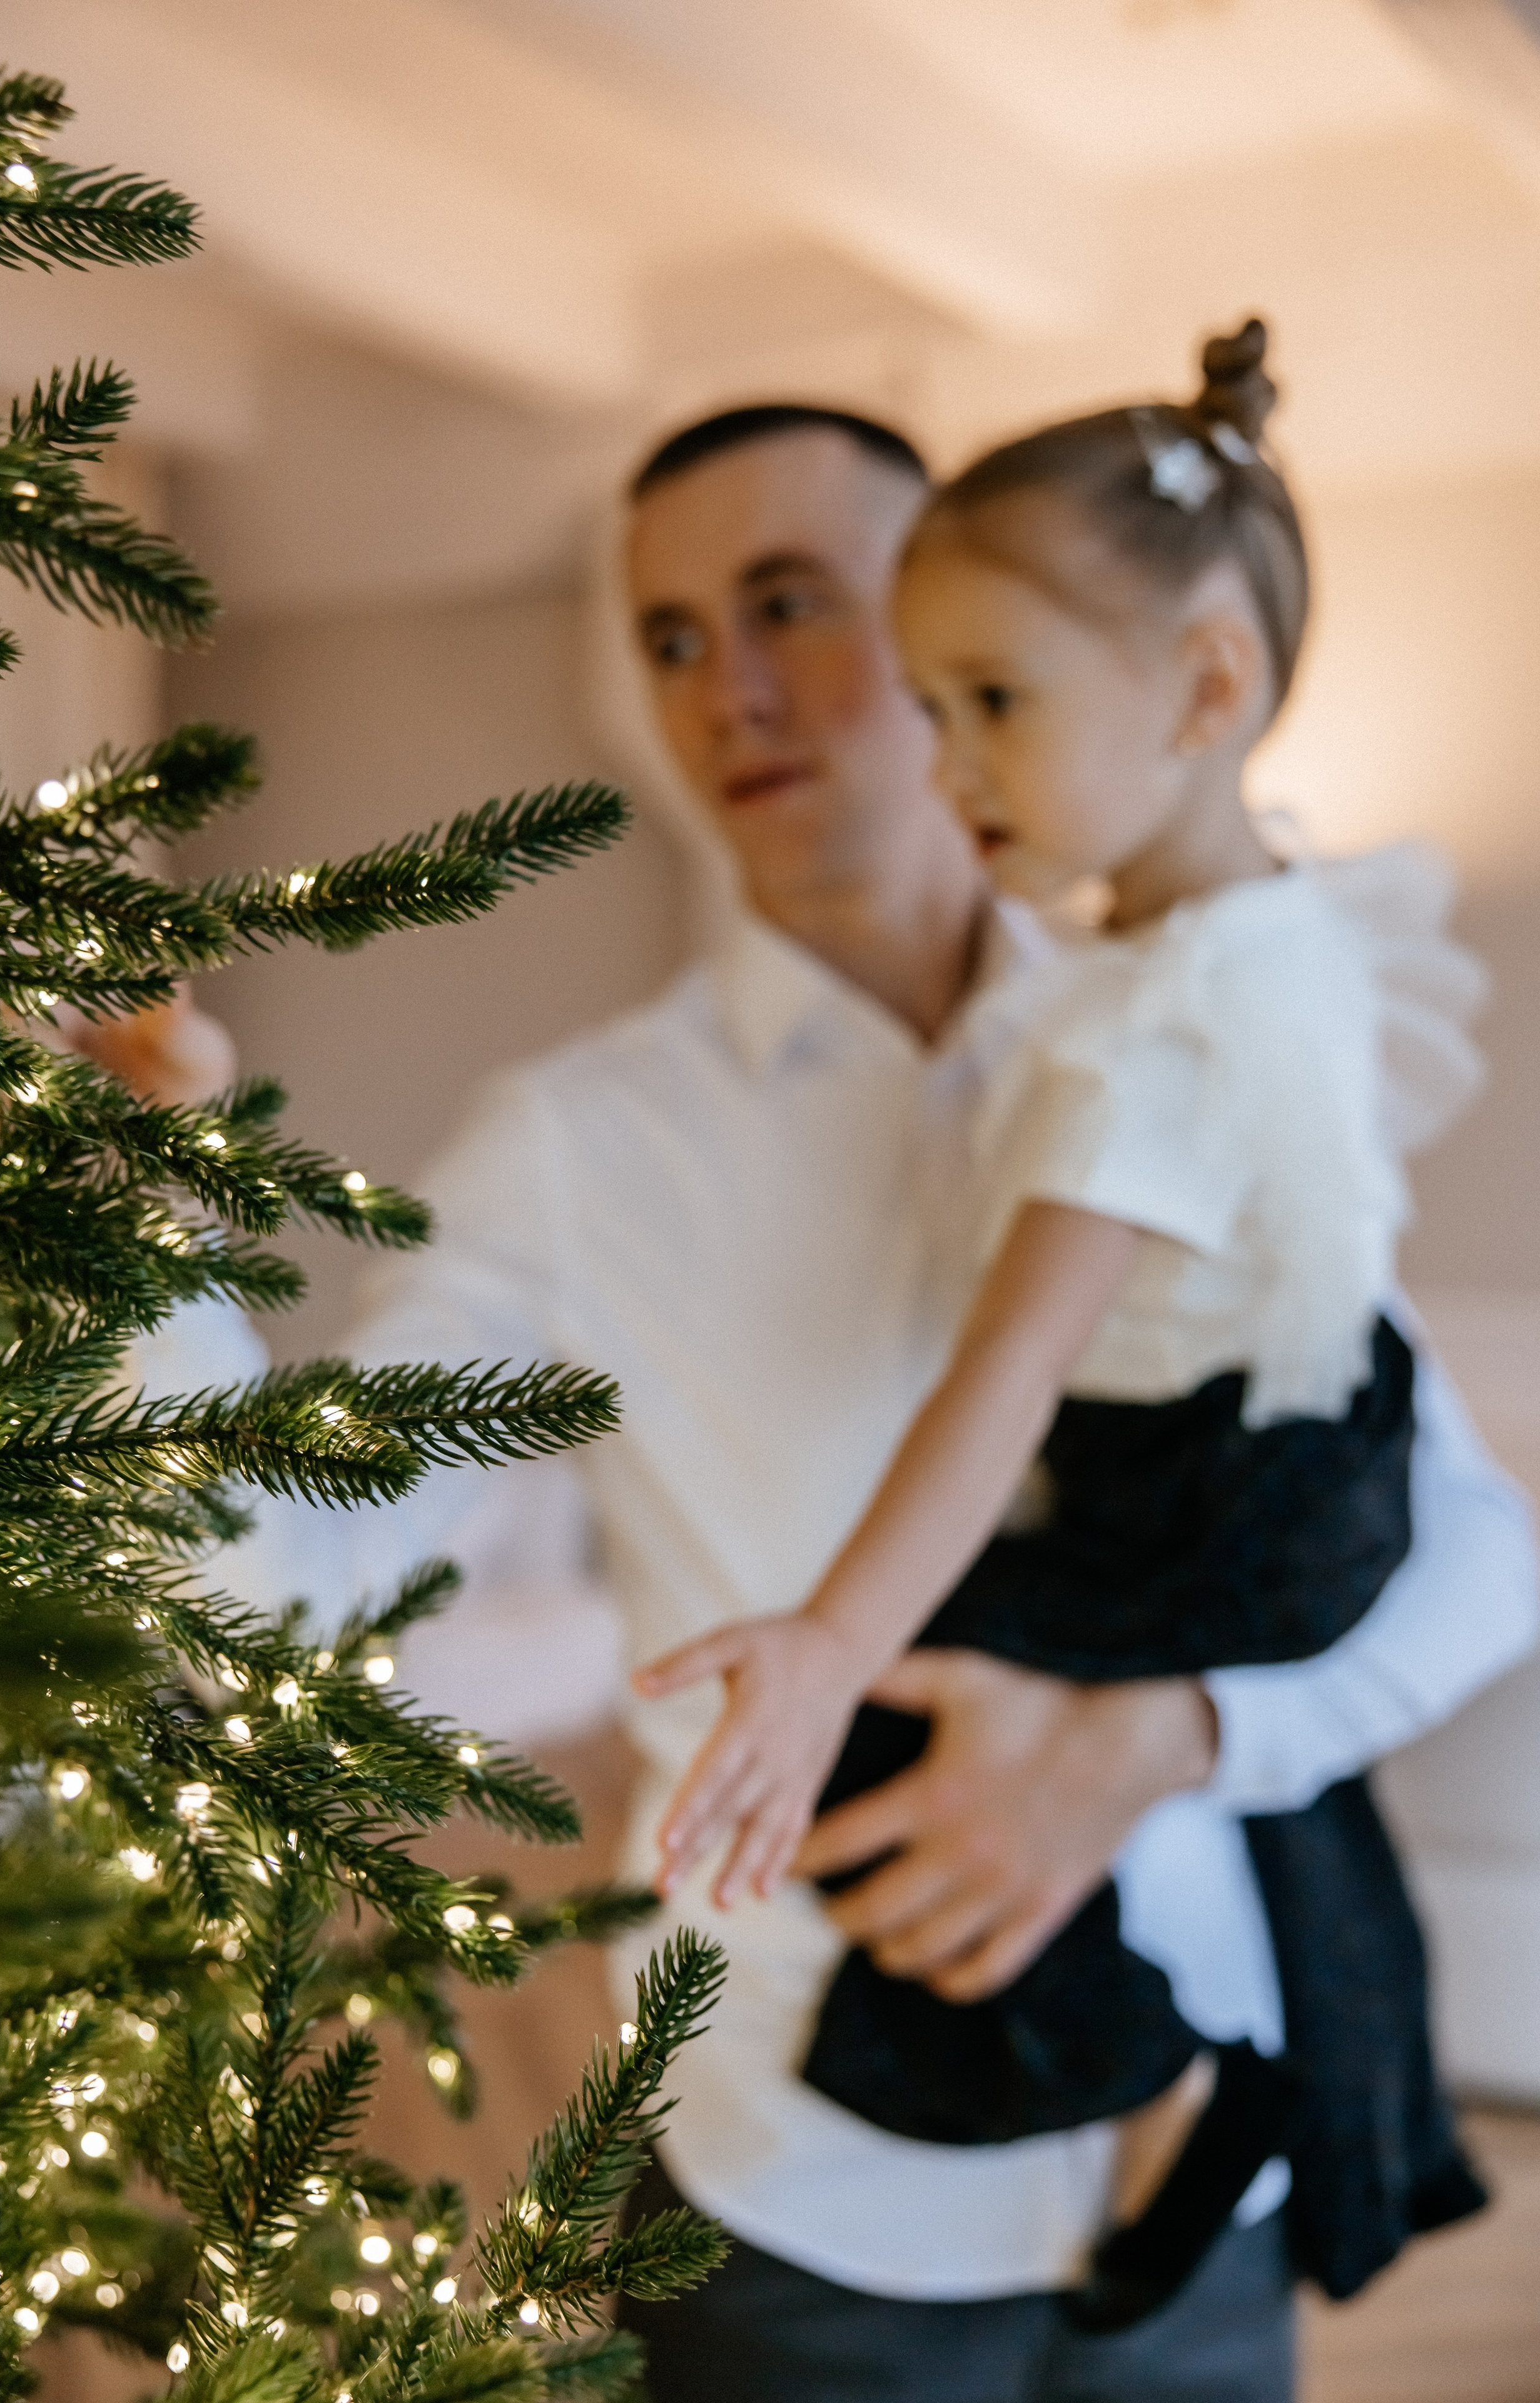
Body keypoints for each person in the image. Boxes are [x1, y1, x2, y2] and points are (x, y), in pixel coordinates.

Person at [223, 395, 1536, 2402]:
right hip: (798, 2180)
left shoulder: (1179, 1022)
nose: (727, 688)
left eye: (789, 604)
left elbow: (1462, 1540)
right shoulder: (579, 1148)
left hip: (1205, 2164)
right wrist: (132, 1232)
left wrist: (1169, 1735)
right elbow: (284, 1577)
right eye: (668, 637)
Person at [631, 323, 1473, 2332]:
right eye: (933, 703)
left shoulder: (1143, 1040)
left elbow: (1006, 1367)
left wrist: (831, 1643)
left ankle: (1176, 2082)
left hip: (1208, 1494)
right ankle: (1193, 2100)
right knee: (957, 1726)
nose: (947, 758)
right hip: (1299, 1455)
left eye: (992, 699)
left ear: (1204, 686)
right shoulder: (1270, 940)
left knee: (883, 1753)